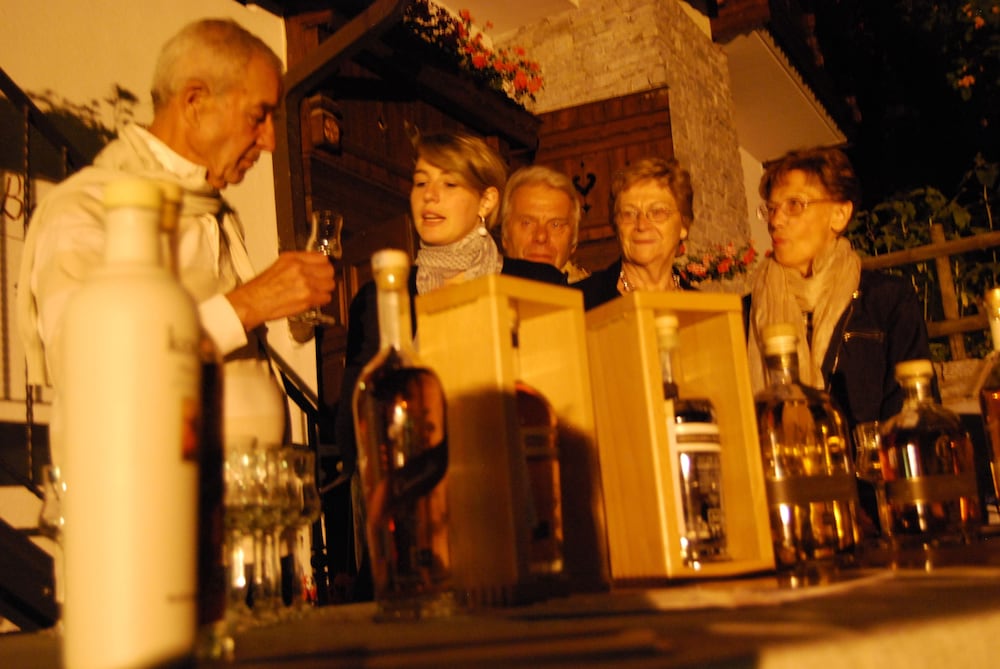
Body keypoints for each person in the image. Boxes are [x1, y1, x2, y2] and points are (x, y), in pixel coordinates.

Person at [17, 19, 336, 433]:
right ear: (195, 103)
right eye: (258, 116)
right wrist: (247, 305)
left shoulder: (212, 210)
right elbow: (85, 369)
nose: (270, 141)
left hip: (253, 473)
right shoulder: (88, 209)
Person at [333, 130, 564, 600]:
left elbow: (564, 401)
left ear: (487, 201)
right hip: (415, 528)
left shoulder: (537, 285)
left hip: (518, 521)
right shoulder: (380, 297)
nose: (430, 196)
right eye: (421, 182)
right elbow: (350, 430)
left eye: (449, 184)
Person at [745, 145, 932, 430]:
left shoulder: (887, 301)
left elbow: (913, 413)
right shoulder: (746, 312)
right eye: (771, 209)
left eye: (794, 205)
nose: (775, 221)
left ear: (840, 215)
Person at [576, 157, 694, 310]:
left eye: (657, 212)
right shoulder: (580, 303)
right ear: (616, 226)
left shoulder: (707, 311)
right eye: (628, 214)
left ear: (684, 225)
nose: (642, 225)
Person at [499, 165, 589, 282]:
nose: (541, 237)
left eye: (555, 225)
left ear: (573, 241)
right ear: (505, 235)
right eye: (527, 223)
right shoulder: (480, 291)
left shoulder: (594, 293)